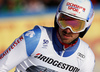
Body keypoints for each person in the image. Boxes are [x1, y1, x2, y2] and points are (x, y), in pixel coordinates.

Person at [0, 0, 95, 72]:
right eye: (64, 21)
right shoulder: (35, 38)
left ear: (86, 27)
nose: (68, 29)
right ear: (57, 19)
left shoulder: (87, 56)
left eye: (76, 26)